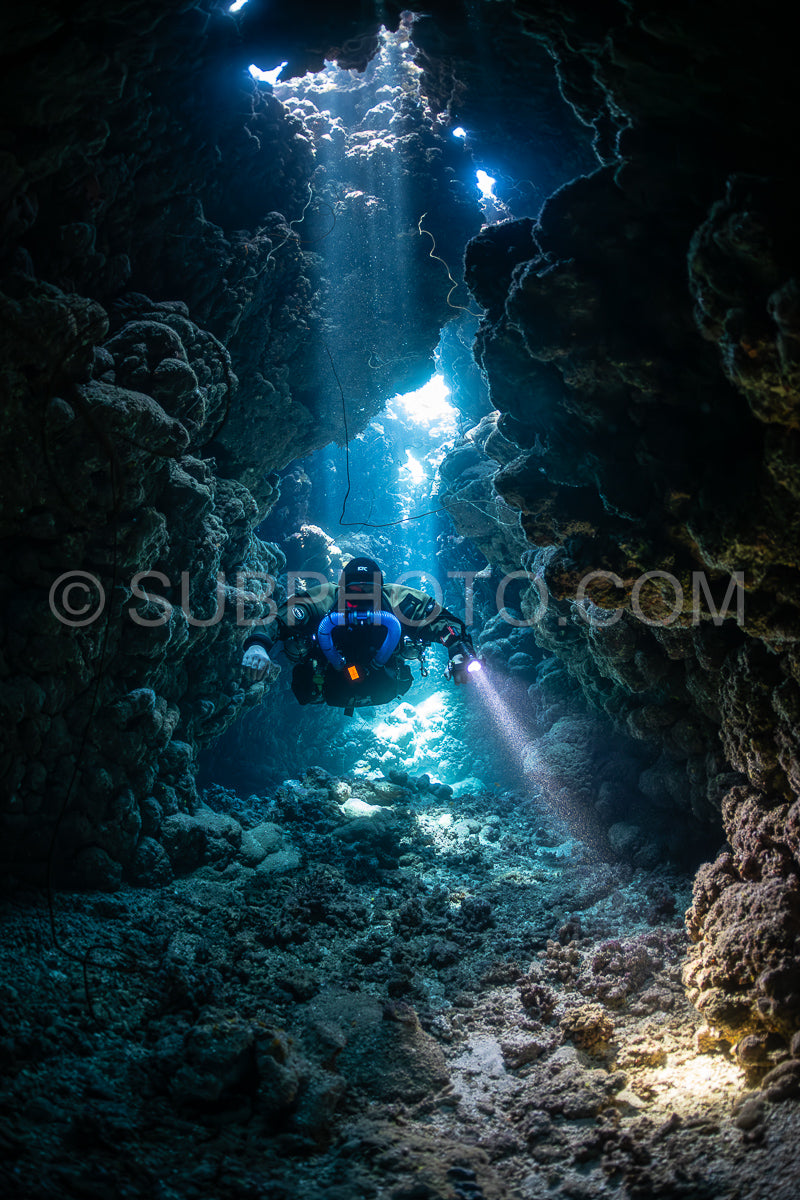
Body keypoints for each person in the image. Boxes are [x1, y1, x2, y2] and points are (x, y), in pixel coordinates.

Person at [241, 556, 481, 714]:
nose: (362, 599)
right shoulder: (322, 598)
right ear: (341, 589)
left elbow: (442, 622)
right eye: (354, 592)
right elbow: (278, 618)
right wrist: (257, 645)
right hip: (329, 678)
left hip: (385, 679)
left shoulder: (400, 600)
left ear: (382, 590)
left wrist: (458, 650)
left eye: (369, 592)